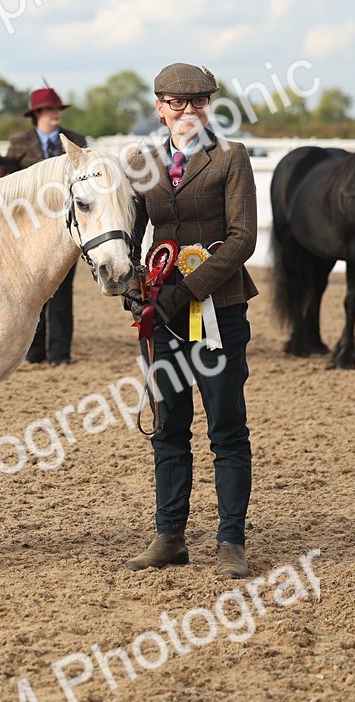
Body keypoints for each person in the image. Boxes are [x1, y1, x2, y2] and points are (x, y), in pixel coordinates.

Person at [123, 63, 259, 578]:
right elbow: (130, 235)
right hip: (162, 314)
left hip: (218, 310)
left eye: (198, 102)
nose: (188, 111)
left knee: (226, 427)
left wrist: (188, 290)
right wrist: (137, 291)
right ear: (160, 108)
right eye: (177, 103)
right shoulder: (142, 162)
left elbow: (244, 237)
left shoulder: (231, 158)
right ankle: (169, 535)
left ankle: (231, 541)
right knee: (168, 426)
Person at [7, 86, 88, 366]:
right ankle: (34, 351)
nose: (56, 114)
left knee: (63, 290)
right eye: (50, 109)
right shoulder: (18, 144)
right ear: (37, 114)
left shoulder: (76, 141)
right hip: (31, 228)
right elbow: (11, 186)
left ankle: (60, 354)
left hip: (67, 227)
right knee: (33, 290)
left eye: (58, 110)